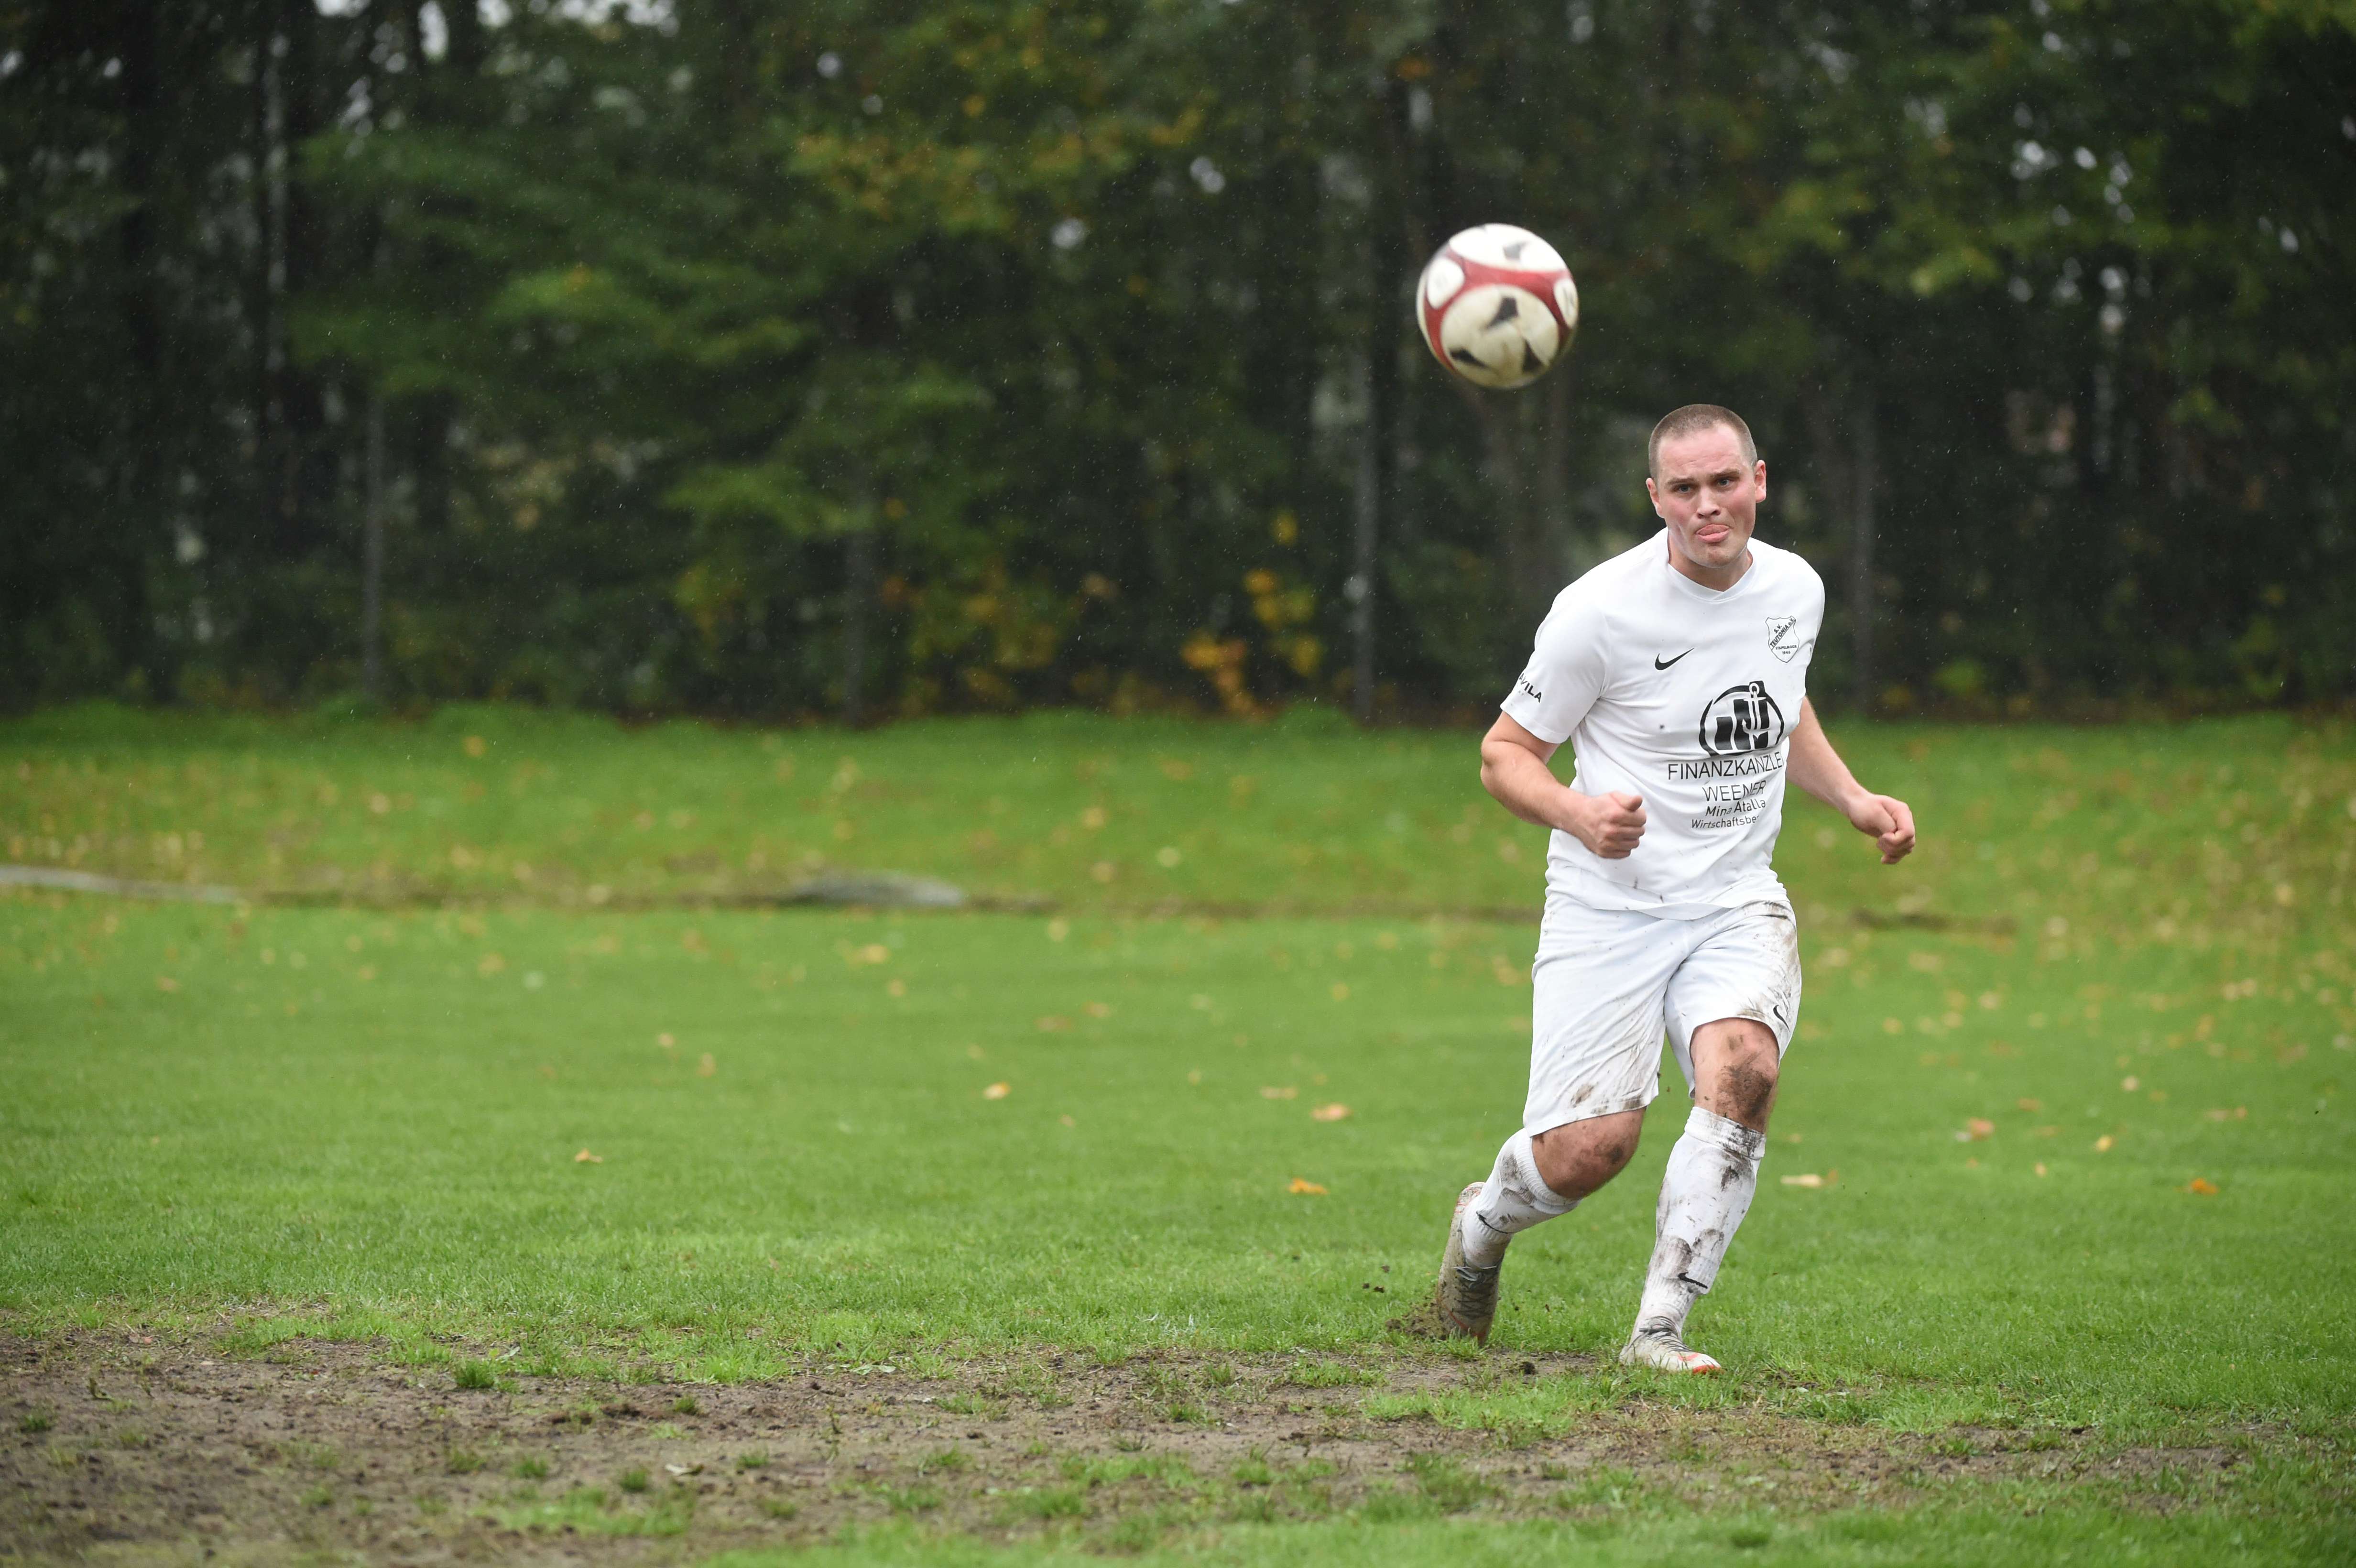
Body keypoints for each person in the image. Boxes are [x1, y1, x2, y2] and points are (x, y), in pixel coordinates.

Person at [1429, 403, 1916, 1373]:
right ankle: (1482, 1225)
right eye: (1684, 489)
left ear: (1759, 481)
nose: (1708, 505)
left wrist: (1853, 797)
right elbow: (1502, 755)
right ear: (1656, 498)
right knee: (1588, 1151)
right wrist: (1579, 814)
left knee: (1745, 1074)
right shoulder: (1599, 612)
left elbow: (1781, 704)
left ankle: (1658, 1329)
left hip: (1734, 897)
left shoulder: (1796, 588)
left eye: (1724, 482)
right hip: (1607, 908)